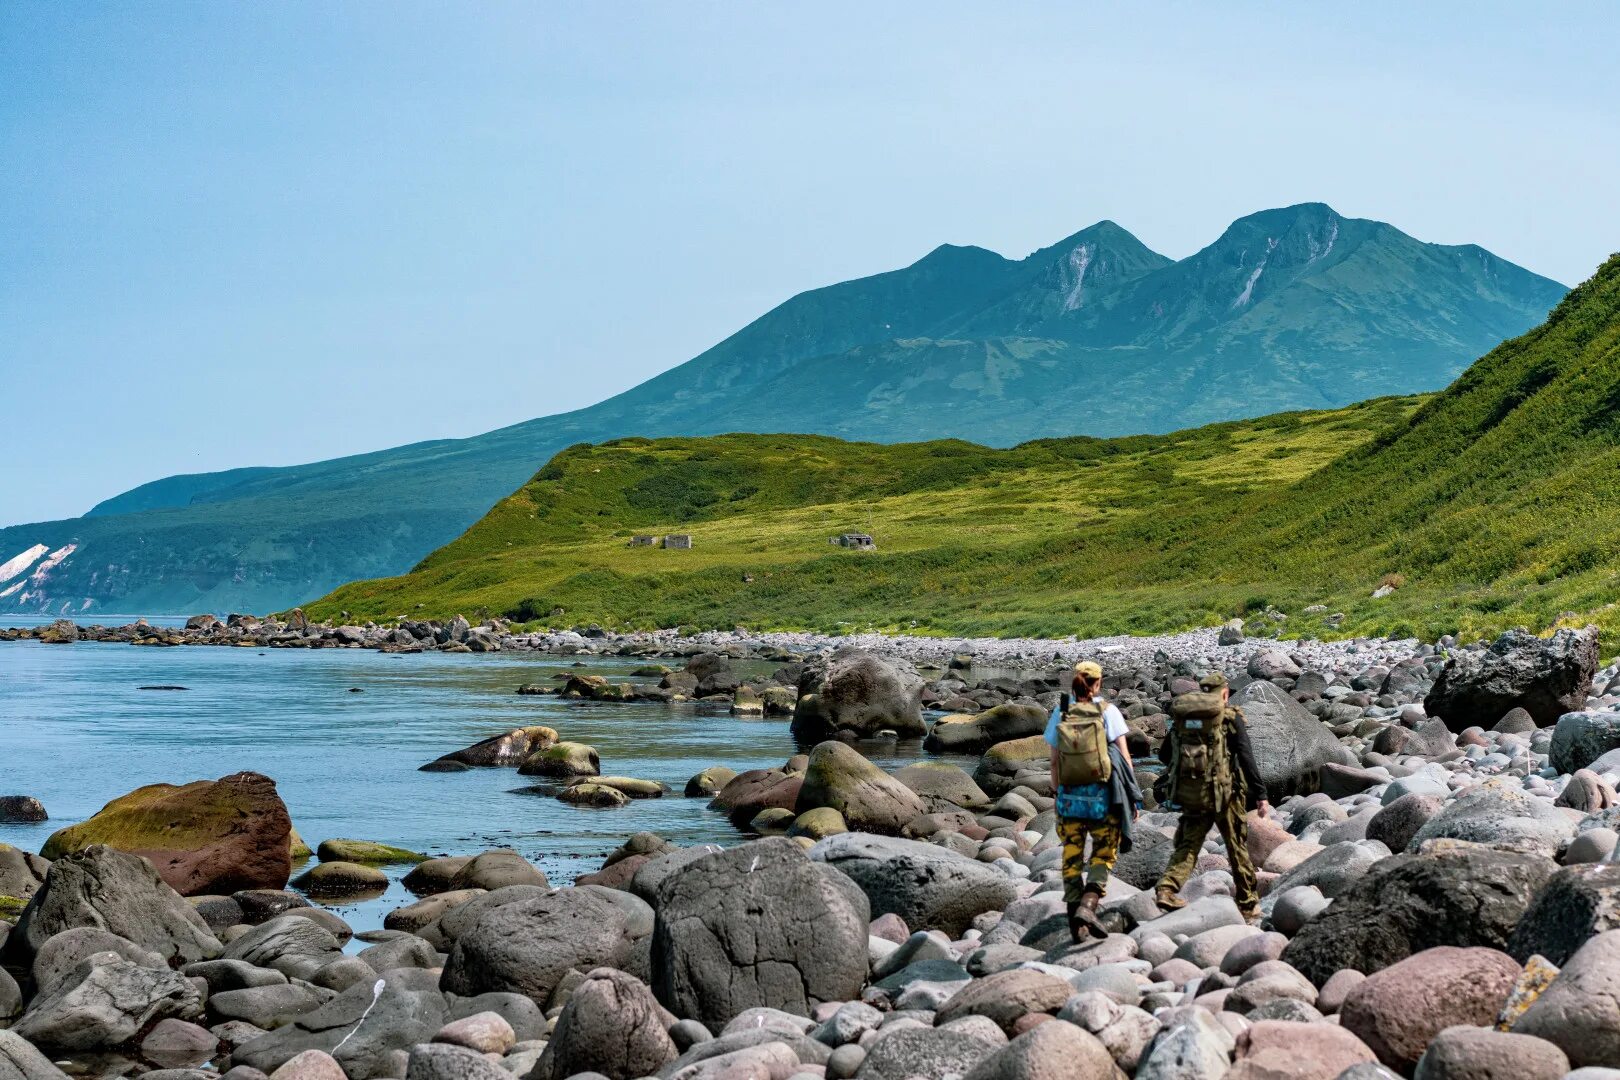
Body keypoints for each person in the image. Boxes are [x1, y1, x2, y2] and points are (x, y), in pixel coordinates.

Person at [1153, 671, 1270, 922]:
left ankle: (1167, 888)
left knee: (1188, 845)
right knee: (1236, 847)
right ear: (1225, 693)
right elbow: (1246, 756)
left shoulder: (1184, 719)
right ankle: (1248, 904)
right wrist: (1260, 794)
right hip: (1225, 796)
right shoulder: (1229, 718)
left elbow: (1164, 756)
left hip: (1192, 795)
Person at [1046, 659, 1141, 942]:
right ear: (1099, 683)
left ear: (1074, 681)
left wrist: (1057, 794)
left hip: (1069, 800)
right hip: (1103, 799)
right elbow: (1124, 759)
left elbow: (1053, 762)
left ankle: (1078, 923)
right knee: (1104, 852)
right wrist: (1132, 798)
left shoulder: (1061, 712)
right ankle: (1088, 907)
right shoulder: (1108, 711)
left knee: (1071, 855)